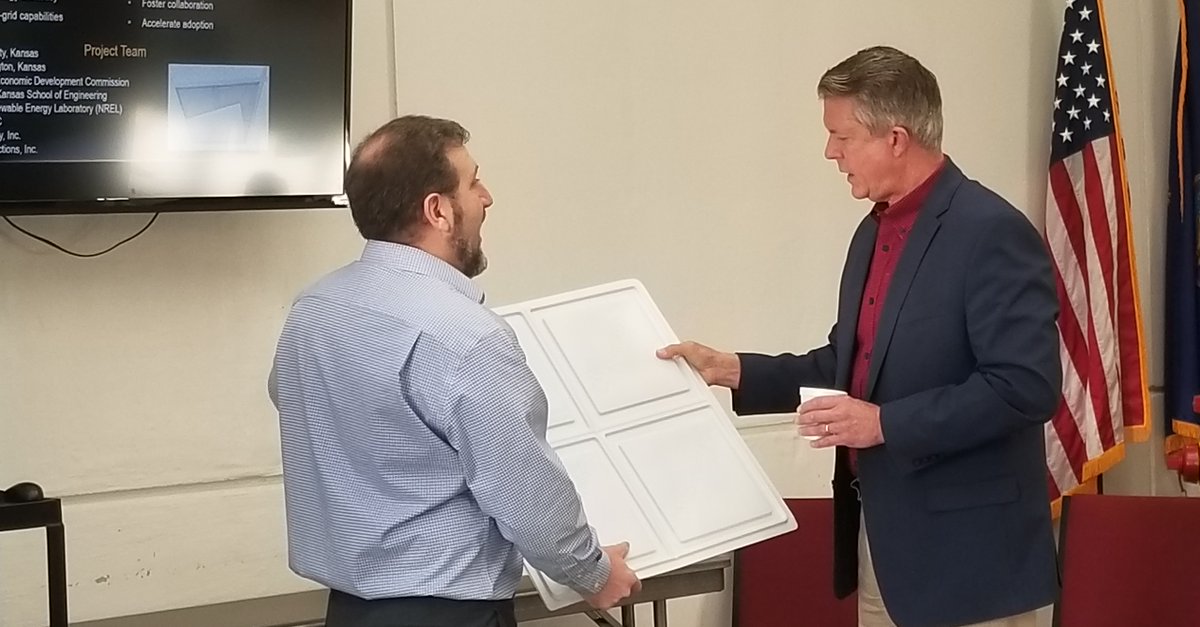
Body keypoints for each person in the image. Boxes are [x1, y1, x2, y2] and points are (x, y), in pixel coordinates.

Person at [657, 46, 1060, 627]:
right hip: (884, 548)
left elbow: (1024, 387)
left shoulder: (991, 232)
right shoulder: (872, 232)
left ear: (895, 139)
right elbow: (849, 365)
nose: (831, 152)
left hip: (970, 564)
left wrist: (884, 424)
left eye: (842, 136)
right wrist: (731, 369)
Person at [269, 115, 641, 627]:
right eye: (473, 183)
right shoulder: (466, 338)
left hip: (348, 612)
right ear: (438, 211)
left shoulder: (314, 309)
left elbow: (307, 415)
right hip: (451, 615)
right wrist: (594, 574)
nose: (486, 198)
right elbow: (524, 489)